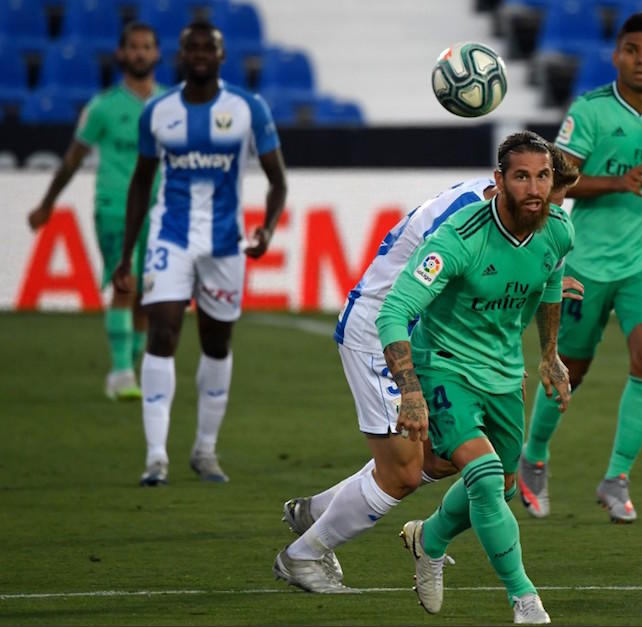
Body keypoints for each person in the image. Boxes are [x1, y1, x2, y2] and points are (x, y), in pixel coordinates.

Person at [272, 143, 582, 595]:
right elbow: (429, 294)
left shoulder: (503, 208)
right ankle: (302, 556)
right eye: (550, 199)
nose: (548, 210)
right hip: (383, 332)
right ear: (507, 182)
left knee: (445, 455)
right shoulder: (468, 222)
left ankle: (316, 512)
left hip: (424, 337)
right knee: (402, 473)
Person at [376, 131, 572, 624]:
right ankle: (525, 599)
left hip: (503, 373)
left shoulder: (558, 231)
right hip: (444, 366)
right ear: (498, 181)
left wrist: (549, 354)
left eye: (543, 176)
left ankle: (429, 539)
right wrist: (411, 391)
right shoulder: (458, 239)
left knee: (502, 487)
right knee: (484, 477)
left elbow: (550, 279)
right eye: (522, 177)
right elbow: (393, 312)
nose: (534, 189)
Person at [518, 13, 642, 525]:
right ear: (617, 56)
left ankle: (616, 478)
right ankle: (533, 458)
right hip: (587, 262)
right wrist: (618, 183)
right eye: (632, 50)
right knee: (569, 371)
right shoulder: (590, 111)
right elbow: (555, 183)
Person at [112, 19, 287, 487]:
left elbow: (278, 181)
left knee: (216, 343)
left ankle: (205, 450)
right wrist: (126, 255)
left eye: (209, 48)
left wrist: (268, 229)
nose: (201, 55)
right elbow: (140, 183)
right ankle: (155, 457)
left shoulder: (248, 108)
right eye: (193, 48)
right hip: (170, 237)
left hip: (225, 244)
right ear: (181, 55)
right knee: (163, 331)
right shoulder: (158, 111)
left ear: (221, 56)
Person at [28, 22, 164, 401]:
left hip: (159, 210)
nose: (140, 53)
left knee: (148, 296)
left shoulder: (170, 104)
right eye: (133, 46)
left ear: (157, 54)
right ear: (121, 54)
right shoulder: (102, 107)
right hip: (115, 206)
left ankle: (126, 368)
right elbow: (73, 158)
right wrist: (47, 204)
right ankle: (122, 372)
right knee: (126, 283)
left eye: (147, 46)